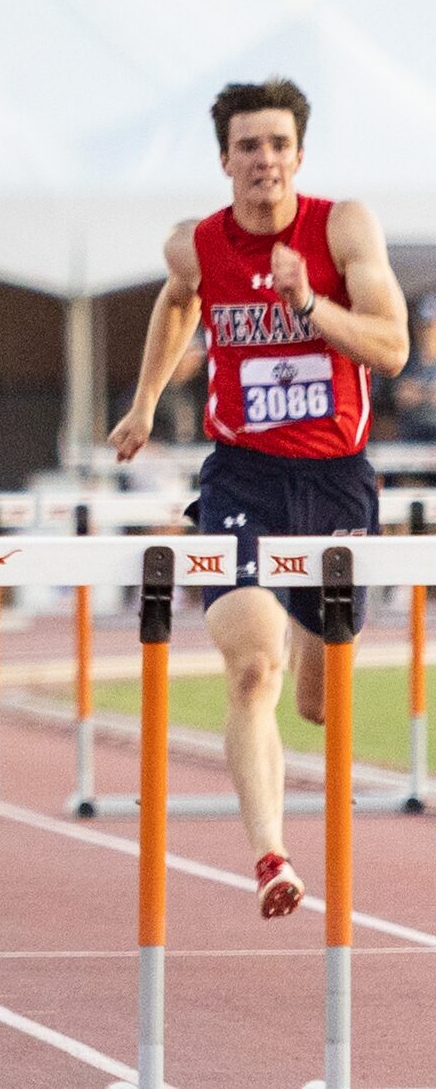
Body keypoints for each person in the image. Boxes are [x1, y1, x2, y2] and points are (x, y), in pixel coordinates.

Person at [109, 78, 406, 920]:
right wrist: (141, 404)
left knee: (318, 702)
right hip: (241, 477)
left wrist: (308, 304)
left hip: (336, 477)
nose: (263, 160)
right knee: (252, 666)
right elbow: (176, 302)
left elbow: (389, 349)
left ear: (298, 156)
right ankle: (269, 855)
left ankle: (316, 666)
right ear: (224, 160)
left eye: (277, 144)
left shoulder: (341, 227)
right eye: (248, 146)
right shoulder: (195, 245)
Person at [389, 297, 436, 443]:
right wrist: (428, 393)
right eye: (424, 325)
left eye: (432, 325)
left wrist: (418, 392)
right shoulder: (408, 356)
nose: (427, 331)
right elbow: (400, 395)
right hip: (411, 434)